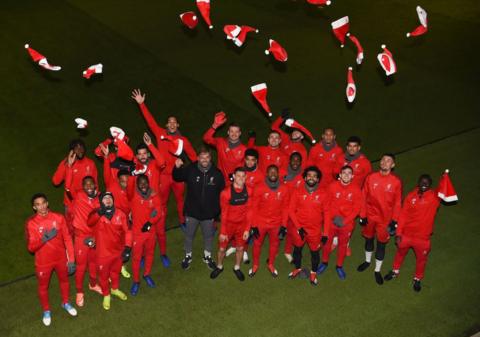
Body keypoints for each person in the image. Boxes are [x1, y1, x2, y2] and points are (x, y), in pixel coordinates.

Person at [132, 89, 197, 257]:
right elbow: (150, 120)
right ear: (167, 125)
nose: (172, 124)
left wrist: (192, 169)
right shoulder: (160, 134)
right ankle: (160, 221)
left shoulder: (183, 140)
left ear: (178, 125)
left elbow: (194, 157)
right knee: (161, 202)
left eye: (175, 122)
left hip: (178, 175)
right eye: (170, 122)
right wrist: (141, 103)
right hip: (162, 176)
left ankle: (182, 221)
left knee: (180, 199)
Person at [384, 174, 443, 292]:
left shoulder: (434, 197)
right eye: (422, 182)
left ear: (430, 184)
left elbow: (444, 191)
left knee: (421, 260)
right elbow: (403, 215)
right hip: (406, 235)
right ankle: (395, 271)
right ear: (418, 182)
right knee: (400, 253)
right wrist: (398, 233)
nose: (424, 185)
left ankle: (417, 278)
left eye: (427, 183)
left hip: (423, 238)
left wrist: (445, 177)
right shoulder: (410, 196)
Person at [25, 193, 77, 326]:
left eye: (43, 203)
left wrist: (71, 259)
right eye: (38, 204)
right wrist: (43, 239)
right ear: (34, 207)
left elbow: (67, 239)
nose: (41, 206)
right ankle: (46, 310)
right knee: (43, 286)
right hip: (43, 263)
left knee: (64, 281)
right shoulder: (31, 223)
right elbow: (31, 248)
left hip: (60, 259)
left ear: (47, 203)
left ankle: (65, 302)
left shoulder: (58, 218)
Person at [172, 147, 225, 270]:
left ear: (210, 158)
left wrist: (216, 213)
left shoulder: (217, 173)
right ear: (198, 158)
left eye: (207, 157)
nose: (205, 160)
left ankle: (207, 256)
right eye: (202, 157)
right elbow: (177, 177)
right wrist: (177, 167)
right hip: (192, 212)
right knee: (189, 236)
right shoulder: (191, 169)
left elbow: (221, 194)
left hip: (208, 214)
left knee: (209, 236)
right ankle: (188, 256)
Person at [357, 153, 402, 285]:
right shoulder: (371, 178)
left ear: (392, 165)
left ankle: (377, 270)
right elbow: (363, 197)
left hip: (385, 220)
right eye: (383, 159)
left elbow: (397, 203)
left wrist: (394, 221)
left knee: (381, 245)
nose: (384, 162)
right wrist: (362, 215)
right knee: (368, 239)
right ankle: (367, 261)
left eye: (388, 161)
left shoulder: (396, 182)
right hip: (370, 217)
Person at [317, 165, 363, 280]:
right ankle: (324, 262)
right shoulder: (332, 186)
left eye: (349, 173)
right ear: (340, 175)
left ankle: (339, 266)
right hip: (331, 222)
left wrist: (345, 220)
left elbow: (357, 208)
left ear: (352, 176)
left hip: (346, 224)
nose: (346, 175)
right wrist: (333, 217)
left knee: (342, 246)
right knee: (327, 243)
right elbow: (326, 204)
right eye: (344, 173)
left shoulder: (356, 189)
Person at [88, 192, 132, 310]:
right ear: (101, 201)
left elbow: (128, 231)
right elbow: (89, 222)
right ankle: (106, 294)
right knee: (103, 277)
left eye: (110, 198)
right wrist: (99, 213)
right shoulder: (96, 214)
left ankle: (115, 289)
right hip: (102, 254)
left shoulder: (121, 214)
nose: (108, 200)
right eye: (105, 198)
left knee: (115, 272)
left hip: (117, 252)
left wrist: (128, 247)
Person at [287, 166, 329, 286]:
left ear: (318, 180)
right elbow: (291, 210)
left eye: (314, 176)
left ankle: (313, 272)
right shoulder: (297, 191)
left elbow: (327, 213)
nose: (311, 178)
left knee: (315, 253)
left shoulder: (323, 194)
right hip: (299, 229)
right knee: (297, 250)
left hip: (315, 231)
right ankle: (298, 268)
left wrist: (325, 232)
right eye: (309, 175)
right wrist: (299, 227)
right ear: (305, 178)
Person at [210, 167, 252, 281]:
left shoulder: (249, 191)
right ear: (233, 176)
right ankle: (219, 266)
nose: (241, 178)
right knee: (222, 249)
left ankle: (237, 267)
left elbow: (249, 211)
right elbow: (224, 213)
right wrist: (223, 231)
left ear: (246, 177)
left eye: (243, 176)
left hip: (242, 226)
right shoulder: (226, 193)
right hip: (228, 225)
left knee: (240, 248)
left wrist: (247, 229)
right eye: (238, 176)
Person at [99, 143, 133, 279]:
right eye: (123, 181)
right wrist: (106, 157)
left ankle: (121, 266)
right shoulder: (111, 185)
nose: (125, 183)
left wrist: (132, 213)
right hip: (111, 220)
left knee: (122, 244)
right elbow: (107, 172)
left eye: (127, 181)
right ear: (118, 180)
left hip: (125, 221)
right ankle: (108, 270)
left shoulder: (132, 187)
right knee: (110, 245)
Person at [67, 172, 101, 307]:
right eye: (86, 184)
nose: (89, 186)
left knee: (93, 262)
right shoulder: (79, 196)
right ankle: (79, 292)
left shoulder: (100, 198)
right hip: (81, 237)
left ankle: (93, 284)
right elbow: (68, 187)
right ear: (82, 187)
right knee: (81, 266)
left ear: (95, 185)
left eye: (91, 183)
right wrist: (69, 167)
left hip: (95, 236)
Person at [249, 165, 289, 277]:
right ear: (266, 174)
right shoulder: (259, 187)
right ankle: (255, 264)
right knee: (257, 244)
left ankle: (271, 264)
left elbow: (286, 208)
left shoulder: (284, 189)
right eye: (270, 172)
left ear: (278, 174)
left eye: (275, 172)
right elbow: (254, 207)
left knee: (274, 244)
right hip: (260, 222)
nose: (272, 174)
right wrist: (253, 225)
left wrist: (284, 225)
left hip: (276, 223)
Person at [225, 148, 263, 263]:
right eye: (247, 160)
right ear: (244, 160)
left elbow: (259, 194)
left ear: (256, 161)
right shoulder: (239, 169)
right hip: (236, 205)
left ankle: (244, 250)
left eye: (253, 160)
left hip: (250, 206)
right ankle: (233, 245)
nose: (250, 162)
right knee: (234, 226)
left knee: (246, 229)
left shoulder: (260, 175)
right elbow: (231, 183)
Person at [128, 174, 163, 295]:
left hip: (150, 232)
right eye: (140, 183)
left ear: (149, 183)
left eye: (145, 182)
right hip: (137, 233)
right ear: (137, 184)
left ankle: (146, 274)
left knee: (150, 254)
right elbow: (128, 184)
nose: (143, 185)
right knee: (136, 258)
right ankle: (136, 281)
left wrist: (149, 223)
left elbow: (158, 211)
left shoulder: (154, 195)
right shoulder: (133, 195)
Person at [52, 139, 98, 213]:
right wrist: (66, 164)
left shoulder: (90, 163)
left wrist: (95, 199)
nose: (80, 150)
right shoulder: (66, 163)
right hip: (71, 202)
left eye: (81, 147)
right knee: (70, 224)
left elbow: (95, 183)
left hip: (86, 202)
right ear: (72, 151)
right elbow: (55, 181)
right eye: (77, 148)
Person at [203, 111, 247, 183]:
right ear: (228, 132)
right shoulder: (220, 142)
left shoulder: (244, 150)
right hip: (218, 177)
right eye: (232, 131)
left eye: (236, 132)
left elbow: (244, 168)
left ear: (240, 133)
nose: (234, 134)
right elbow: (206, 138)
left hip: (233, 181)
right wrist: (214, 126)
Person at [282, 152, 304, 262]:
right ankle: (275, 250)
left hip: (296, 209)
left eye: (297, 160)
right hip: (282, 208)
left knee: (292, 230)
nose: (295, 162)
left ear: (301, 162)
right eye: (293, 160)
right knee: (280, 229)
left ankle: (287, 251)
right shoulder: (282, 173)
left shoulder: (303, 176)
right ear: (289, 161)